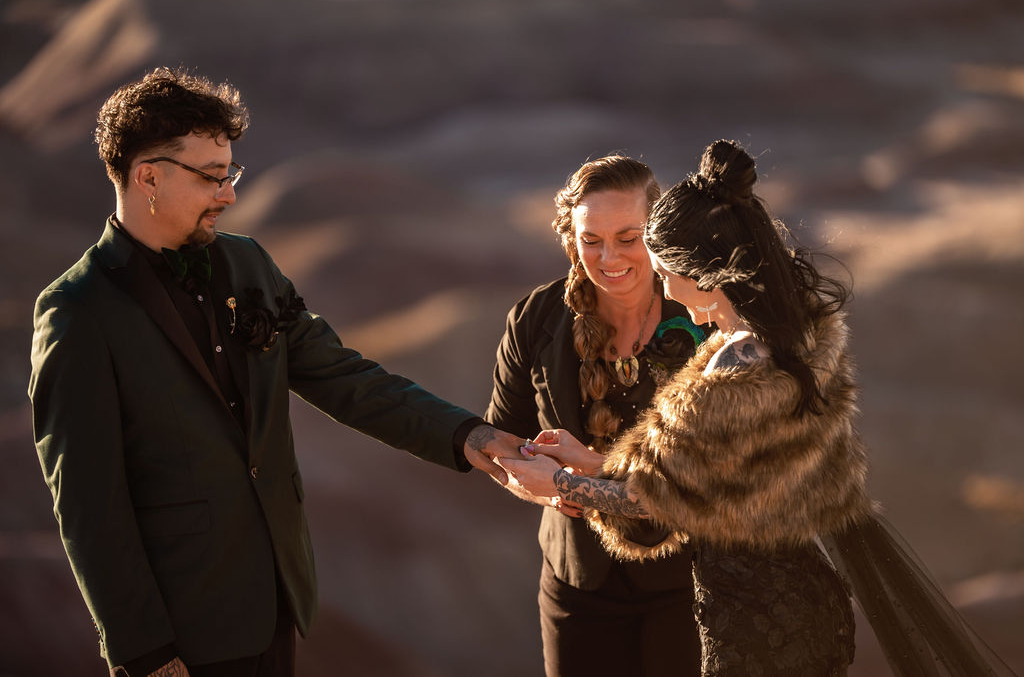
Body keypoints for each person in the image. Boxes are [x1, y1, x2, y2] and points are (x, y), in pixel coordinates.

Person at [27, 67, 522, 677]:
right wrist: (146, 656)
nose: (229, 194)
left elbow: (343, 377)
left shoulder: (250, 266)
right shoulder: (78, 312)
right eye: (210, 177)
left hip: (274, 603)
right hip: (177, 633)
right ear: (146, 176)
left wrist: (468, 435)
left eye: (229, 173)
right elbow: (85, 502)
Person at [502, 140, 1018, 677]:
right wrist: (590, 463)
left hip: (755, 615)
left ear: (701, 272)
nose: (667, 291)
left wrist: (556, 483)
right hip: (796, 599)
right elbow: (705, 481)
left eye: (664, 269)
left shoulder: (732, 369)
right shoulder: (790, 339)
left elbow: (655, 504)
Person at [485, 155, 708, 676]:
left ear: (659, 235)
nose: (609, 256)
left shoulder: (702, 321)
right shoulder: (534, 319)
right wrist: (540, 484)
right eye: (592, 240)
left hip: (692, 583)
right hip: (576, 588)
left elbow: (706, 479)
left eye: (628, 237)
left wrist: (578, 475)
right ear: (571, 241)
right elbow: (502, 447)